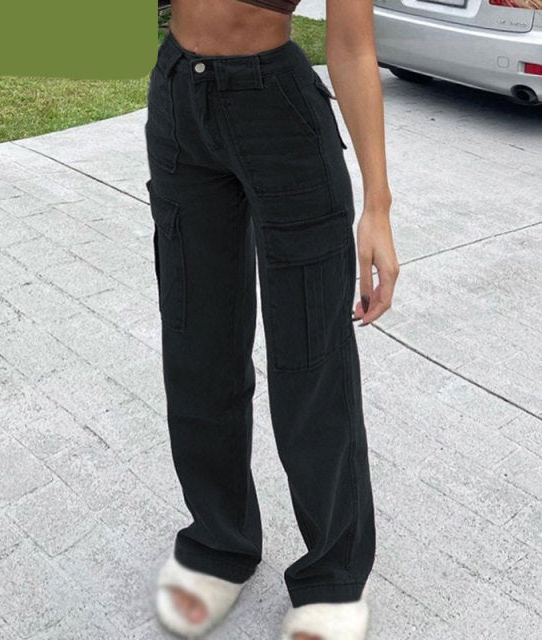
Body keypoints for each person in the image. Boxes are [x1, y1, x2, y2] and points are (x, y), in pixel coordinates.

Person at [144, 0, 399, 637]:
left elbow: (352, 47)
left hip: (278, 115)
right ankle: (218, 542)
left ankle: (333, 575)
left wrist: (378, 206)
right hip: (177, 99)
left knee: (311, 359)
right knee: (196, 345)